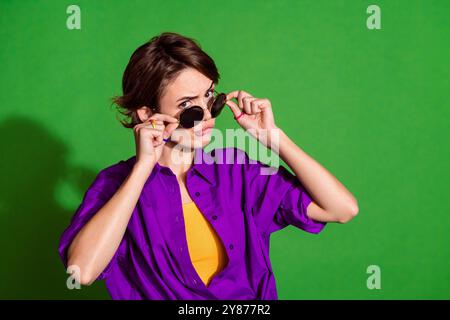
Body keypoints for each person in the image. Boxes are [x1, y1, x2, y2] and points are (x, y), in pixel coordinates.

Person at [58, 32, 359, 300]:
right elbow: (81, 271)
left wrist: (273, 138)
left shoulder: (235, 169)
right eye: (188, 106)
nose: (206, 115)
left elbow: (342, 209)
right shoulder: (116, 184)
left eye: (210, 97)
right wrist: (142, 170)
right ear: (147, 113)